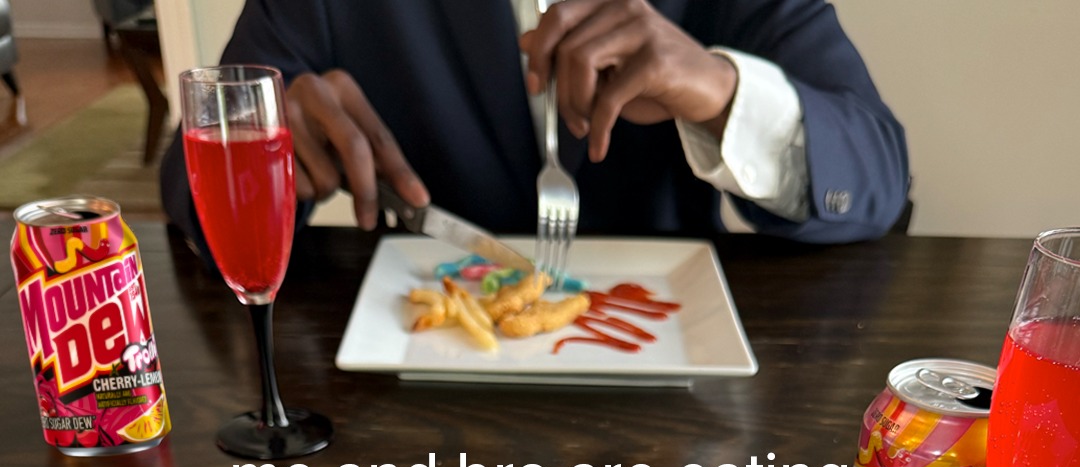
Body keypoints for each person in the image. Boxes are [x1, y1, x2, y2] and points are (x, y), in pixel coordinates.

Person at [161, 0, 909, 248]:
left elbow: (874, 175)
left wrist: (720, 90)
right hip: (409, 417)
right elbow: (187, 184)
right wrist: (260, 146)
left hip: (677, 429)